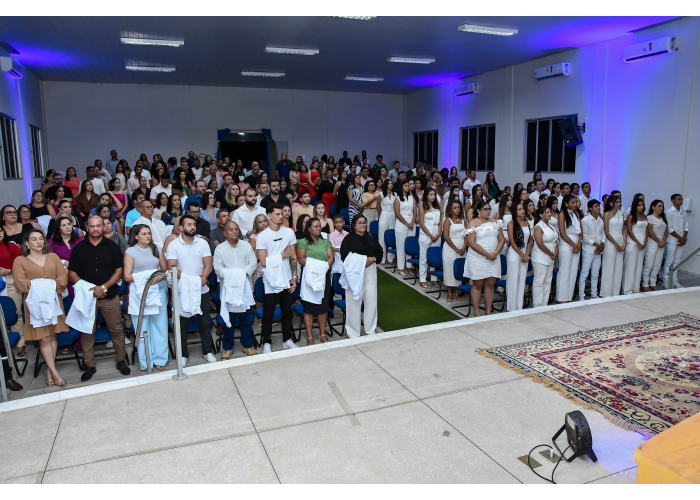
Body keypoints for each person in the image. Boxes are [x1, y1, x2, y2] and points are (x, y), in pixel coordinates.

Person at [68, 215, 130, 381]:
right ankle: (89, 365)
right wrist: (90, 290)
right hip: (87, 298)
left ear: (103, 227)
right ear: (87, 227)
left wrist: (103, 288)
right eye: (92, 226)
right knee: (87, 332)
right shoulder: (78, 248)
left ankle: (121, 360)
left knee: (116, 330)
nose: (95, 229)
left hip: (109, 296)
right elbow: (71, 274)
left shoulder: (112, 247)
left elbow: (119, 271)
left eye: (98, 226)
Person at [12, 230, 70, 386]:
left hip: (54, 301)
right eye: (34, 239)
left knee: (52, 336)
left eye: (40, 238)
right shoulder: (20, 261)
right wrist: (46, 286)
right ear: (27, 243)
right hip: (34, 304)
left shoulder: (53, 257)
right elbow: (20, 283)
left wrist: (46, 286)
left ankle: (49, 370)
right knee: (43, 339)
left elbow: (62, 278)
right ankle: (54, 371)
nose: (38, 242)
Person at [166, 215, 215, 365]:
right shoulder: (173, 245)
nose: (193, 227)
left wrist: (201, 279)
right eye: (189, 224)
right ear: (181, 228)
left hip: (201, 289)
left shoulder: (202, 243)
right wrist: (193, 280)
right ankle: (183, 354)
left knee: (204, 322)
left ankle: (207, 351)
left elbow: (208, 265)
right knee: (181, 324)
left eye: (194, 224)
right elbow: (172, 268)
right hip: (182, 289)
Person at [123, 224, 169, 371]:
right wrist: (148, 278)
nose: (148, 236)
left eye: (149, 233)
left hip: (158, 290)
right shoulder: (130, 251)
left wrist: (155, 279)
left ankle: (160, 359)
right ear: (136, 236)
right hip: (139, 293)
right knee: (142, 327)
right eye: (144, 234)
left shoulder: (156, 248)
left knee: (160, 325)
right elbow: (127, 276)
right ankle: (146, 361)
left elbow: (164, 270)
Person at [255, 203, 299, 353]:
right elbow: (263, 261)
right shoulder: (263, 236)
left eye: (282, 214)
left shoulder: (289, 233)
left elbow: (293, 256)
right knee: (268, 312)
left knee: (287, 311)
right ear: (269, 216)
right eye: (277, 214)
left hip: (287, 277)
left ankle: (287, 339)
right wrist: (282, 255)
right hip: (270, 280)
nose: (281, 216)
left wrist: (294, 277)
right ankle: (266, 342)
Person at [213, 221, 258, 358]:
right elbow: (217, 268)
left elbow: (253, 263)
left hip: (245, 289)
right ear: (224, 233)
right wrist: (233, 276)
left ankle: (247, 345)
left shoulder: (246, 245)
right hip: (228, 290)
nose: (234, 231)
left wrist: (242, 275)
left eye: (236, 229)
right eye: (231, 229)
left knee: (246, 320)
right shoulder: (220, 249)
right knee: (229, 321)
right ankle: (228, 347)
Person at [340, 214, 382, 337]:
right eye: (359, 222)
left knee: (371, 301)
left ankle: (370, 330)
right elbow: (344, 256)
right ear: (353, 225)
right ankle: (353, 332)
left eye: (364, 222)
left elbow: (380, 252)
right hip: (354, 272)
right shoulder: (348, 238)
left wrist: (373, 259)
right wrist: (362, 261)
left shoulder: (371, 236)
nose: (362, 225)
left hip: (370, 271)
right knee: (353, 302)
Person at [295, 217, 334, 345]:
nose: (319, 228)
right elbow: (301, 259)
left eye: (319, 226)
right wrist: (319, 266)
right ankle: (309, 336)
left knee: (323, 306)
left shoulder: (325, 241)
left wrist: (323, 268)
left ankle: (322, 334)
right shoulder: (302, 242)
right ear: (309, 228)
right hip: (309, 277)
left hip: (323, 276)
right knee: (309, 307)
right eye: (315, 226)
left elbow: (331, 257)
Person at [465, 201, 505, 316]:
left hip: (494, 257)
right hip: (478, 258)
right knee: (477, 285)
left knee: (490, 285)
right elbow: (471, 243)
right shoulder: (473, 223)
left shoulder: (495, 222)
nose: (488, 212)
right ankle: (477, 311)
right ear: (478, 211)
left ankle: (488, 310)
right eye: (485, 209)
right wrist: (488, 254)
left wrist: (495, 253)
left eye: (489, 209)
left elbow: (501, 239)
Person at [506, 202, 532, 311]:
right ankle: (512, 308)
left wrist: (527, 254)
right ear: (514, 211)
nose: (523, 211)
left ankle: (519, 307)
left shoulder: (527, 223)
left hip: (524, 254)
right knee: (513, 280)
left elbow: (530, 240)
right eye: (519, 209)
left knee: (522, 280)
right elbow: (512, 242)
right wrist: (522, 255)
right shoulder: (511, 224)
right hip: (515, 253)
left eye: (523, 209)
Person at [556, 194, 582, 303]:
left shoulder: (576, 214)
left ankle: (569, 296)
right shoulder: (562, 214)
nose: (575, 204)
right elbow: (562, 233)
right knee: (565, 270)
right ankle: (562, 298)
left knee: (573, 270)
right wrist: (574, 245)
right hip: (566, 244)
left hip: (576, 243)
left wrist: (579, 244)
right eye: (572, 202)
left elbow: (581, 231)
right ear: (566, 203)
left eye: (576, 202)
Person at [531, 206, 559, 308]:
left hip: (550, 256)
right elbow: (540, 243)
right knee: (539, 282)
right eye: (547, 212)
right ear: (541, 214)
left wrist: (556, 251)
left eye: (549, 212)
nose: (549, 214)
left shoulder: (550, 225)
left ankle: (544, 303)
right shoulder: (538, 227)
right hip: (541, 257)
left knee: (547, 280)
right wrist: (551, 253)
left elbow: (555, 240)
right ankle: (537, 305)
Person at [600, 195, 626, 298]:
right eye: (617, 202)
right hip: (610, 241)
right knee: (609, 267)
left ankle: (616, 292)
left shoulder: (621, 213)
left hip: (620, 239)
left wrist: (625, 242)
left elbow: (623, 229)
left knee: (619, 267)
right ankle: (606, 293)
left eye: (620, 202)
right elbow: (606, 232)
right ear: (611, 203)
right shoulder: (607, 214)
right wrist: (616, 244)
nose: (619, 204)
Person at [579, 199, 605, 300]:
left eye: (599, 206)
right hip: (588, 250)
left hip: (598, 251)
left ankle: (594, 294)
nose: (598, 208)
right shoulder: (585, 220)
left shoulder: (600, 220)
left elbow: (603, 234)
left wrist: (602, 244)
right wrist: (597, 245)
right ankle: (581, 295)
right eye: (596, 206)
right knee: (584, 273)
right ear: (590, 208)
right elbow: (585, 237)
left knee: (595, 274)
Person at [442, 199, 467, 303]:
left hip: (461, 246)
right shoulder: (448, 220)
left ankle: (456, 292)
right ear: (450, 210)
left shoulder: (463, 220)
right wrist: (455, 248)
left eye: (459, 207)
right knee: (450, 268)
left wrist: (464, 247)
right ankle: (449, 292)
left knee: (458, 269)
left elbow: (466, 235)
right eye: (455, 208)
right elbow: (446, 236)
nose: (457, 209)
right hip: (450, 248)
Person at [622, 198, 648, 295]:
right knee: (631, 266)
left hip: (642, 243)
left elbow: (647, 230)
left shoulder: (645, 216)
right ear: (635, 206)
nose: (641, 207)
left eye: (642, 205)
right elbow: (629, 231)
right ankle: (627, 289)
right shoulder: (631, 217)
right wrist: (638, 242)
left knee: (639, 266)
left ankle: (636, 288)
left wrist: (645, 241)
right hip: (633, 243)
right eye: (639, 205)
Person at [662, 194, 688, 289]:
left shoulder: (683, 212)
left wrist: (684, 238)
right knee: (669, 260)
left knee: (677, 260)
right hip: (672, 240)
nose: (681, 201)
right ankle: (666, 280)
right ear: (673, 200)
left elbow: (686, 226)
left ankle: (674, 280)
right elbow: (670, 228)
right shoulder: (669, 212)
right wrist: (680, 238)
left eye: (681, 199)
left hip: (681, 240)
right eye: (678, 199)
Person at [418, 188, 442, 289]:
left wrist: (439, 233)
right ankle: (422, 279)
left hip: (436, 233)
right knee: (424, 258)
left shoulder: (438, 206)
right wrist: (430, 235)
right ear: (426, 195)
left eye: (434, 195)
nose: (433, 197)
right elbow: (421, 223)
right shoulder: (422, 205)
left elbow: (440, 221)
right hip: (425, 234)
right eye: (431, 195)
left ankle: (434, 279)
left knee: (434, 257)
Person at [642, 200, 668, 291]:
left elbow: (666, 231)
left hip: (661, 244)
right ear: (653, 207)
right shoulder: (650, 218)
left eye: (662, 206)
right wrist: (658, 241)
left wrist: (663, 241)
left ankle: (653, 283)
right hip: (652, 243)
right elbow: (650, 231)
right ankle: (645, 283)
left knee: (657, 265)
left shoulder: (663, 218)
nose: (661, 208)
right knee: (649, 264)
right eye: (659, 206)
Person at [393, 179, 418, 277]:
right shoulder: (397, 199)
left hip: (411, 222)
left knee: (409, 246)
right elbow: (397, 213)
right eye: (406, 185)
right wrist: (407, 224)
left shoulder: (412, 197)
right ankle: (400, 267)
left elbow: (415, 211)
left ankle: (409, 266)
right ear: (401, 187)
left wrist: (412, 222)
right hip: (401, 223)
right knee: (401, 246)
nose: (408, 187)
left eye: (408, 185)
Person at [377, 179, 396, 265]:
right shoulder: (381, 194)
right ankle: (382, 257)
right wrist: (381, 215)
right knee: (382, 236)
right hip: (384, 215)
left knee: (391, 236)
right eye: (389, 183)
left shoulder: (395, 194)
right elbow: (378, 206)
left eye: (392, 183)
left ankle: (390, 257)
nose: (391, 185)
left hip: (393, 215)